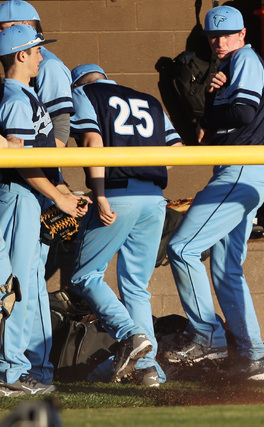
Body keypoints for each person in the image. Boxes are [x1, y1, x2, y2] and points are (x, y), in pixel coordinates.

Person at [165, 5, 264, 380]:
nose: (221, 41)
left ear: (243, 35)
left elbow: (243, 113)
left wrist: (209, 113)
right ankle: (254, 355)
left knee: (182, 248)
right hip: (240, 170)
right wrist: (212, 98)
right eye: (215, 36)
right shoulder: (224, 70)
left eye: (228, 34)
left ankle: (208, 336)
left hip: (241, 170)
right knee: (227, 270)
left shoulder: (245, 58)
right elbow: (207, 135)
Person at [69, 64, 183, 386]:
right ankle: (148, 370)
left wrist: (100, 193)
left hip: (117, 194)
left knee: (85, 275)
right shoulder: (148, 99)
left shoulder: (84, 93)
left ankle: (131, 335)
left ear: (77, 82)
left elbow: (93, 143)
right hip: (154, 198)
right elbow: (177, 151)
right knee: (136, 287)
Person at [0, 24, 88, 397]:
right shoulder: (16, 96)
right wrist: (59, 197)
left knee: (24, 283)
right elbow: (20, 159)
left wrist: (61, 189)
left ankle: (24, 368)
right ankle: (12, 372)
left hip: (29, 195)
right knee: (15, 286)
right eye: (36, 50)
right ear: (21, 55)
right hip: (20, 194)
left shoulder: (22, 93)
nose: (41, 56)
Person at [0, 0, 74, 146]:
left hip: (40, 163)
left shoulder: (47, 65)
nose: (0, 33)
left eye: (2, 28)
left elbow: (60, 129)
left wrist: (46, 168)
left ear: (24, 25)